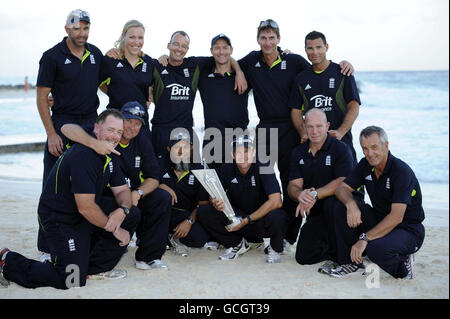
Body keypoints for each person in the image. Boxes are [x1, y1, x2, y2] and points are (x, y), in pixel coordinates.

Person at [238, 19, 354, 251]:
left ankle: (289, 237)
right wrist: (240, 72)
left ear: (279, 39)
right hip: (265, 128)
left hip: (291, 129)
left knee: (290, 182)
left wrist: (345, 64)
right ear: (258, 40)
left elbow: (319, 67)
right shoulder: (251, 61)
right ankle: (259, 233)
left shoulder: (294, 61)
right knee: (261, 180)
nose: (268, 42)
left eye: (272, 38)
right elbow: (226, 62)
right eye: (264, 38)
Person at [0, 110, 138, 289]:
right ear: (96, 129)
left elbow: (123, 191)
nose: (115, 136)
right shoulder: (84, 155)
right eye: (110, 130)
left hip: (82, 214)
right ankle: (8, 261)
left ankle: (92, 268)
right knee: (71, 280)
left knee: (132, 213)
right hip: (60, 218)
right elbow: (86, 208)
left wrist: (123, 211)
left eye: (119, 132)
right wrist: (114, 229)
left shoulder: (110, 155)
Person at [61, 101, 173, 270]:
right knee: (129, 212)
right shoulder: (105, 133)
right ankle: (104, 256)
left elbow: (154, 177)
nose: (131, 127)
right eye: (128, 121)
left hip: (130, 194)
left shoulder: (142, 140)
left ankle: (148, 257)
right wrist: (94, 143)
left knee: (161, 198)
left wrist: (138, 193)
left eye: (137, 124)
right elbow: (66, 128)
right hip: (104, 195)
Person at [35, 9, 103, 259]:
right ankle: (46, 248)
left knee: (88, 186)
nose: (81, 33)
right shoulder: (52, 57)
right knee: (53, 188)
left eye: (85, 28)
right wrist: (51, 133)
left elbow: (106, 82)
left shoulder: (95, 53)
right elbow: (42, 97)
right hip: (62, 125)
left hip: (90, 125)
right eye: (76, 28)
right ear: (67, 29)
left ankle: (86, 239)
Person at [330, 126, 425, 279]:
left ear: (386, 145)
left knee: (375, 250)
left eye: (374, 147)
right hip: (379, 220)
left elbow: (396, 217)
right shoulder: (365, 165)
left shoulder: (401, 172)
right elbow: (342, 189)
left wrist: (364, 238)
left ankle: (403, 262)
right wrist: (351, 204)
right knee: (340, 206)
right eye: (365, 149)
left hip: (407, 229)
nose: (370, 153)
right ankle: (350, 263)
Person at [150, 31, 247, 160]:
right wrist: (149, 90)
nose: (179, 49)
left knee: (190, 176)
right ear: (168, 45)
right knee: (158, 174)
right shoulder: (157, 66)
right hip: (161, 130)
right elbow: (141, 79)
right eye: (176, 44)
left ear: (187, 49)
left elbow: (222, 57)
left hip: (186, 131)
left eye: (184, 46)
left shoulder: (194, 65)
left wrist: (239, 71)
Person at [197, 135, 288, 263]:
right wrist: (215, 201)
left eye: (246, 151)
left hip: (259, 221)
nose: (243, 156)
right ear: (232, 155)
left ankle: (274, 247)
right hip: (238, 220)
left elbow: (276, 201)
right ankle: (237, 244)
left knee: (278, 215)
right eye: (238, 152)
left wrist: (246, 221)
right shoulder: (226, 168)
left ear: (254, 152)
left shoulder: (264, 165)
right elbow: (212, 192)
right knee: (204, 210)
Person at [287, 108, 354, 273]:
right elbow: (293, 186)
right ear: (304, 127)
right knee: (303, 257)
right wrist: (300, 195)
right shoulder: (298, 152)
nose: (314, 131)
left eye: (319, 126)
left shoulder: (341, 149)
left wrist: (314, 194)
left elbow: (343, 181)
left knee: (332, 204)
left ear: (327, 126)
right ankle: (334, 249)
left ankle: (343, 255)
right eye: (310, 126)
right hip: (317, 212)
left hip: (342, 209)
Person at [289, 31, 361, 163]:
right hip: (314, 146)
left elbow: (354, 107)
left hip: (342, 143)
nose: (314, 52)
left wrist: (340, 132)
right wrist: (303, 132)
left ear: (326, 47)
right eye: (310, 48)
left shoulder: (343, 72)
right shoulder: (301, 79)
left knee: (348, 183)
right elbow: (296, 111)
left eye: (318, 47)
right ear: (305, 50)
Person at [198, 34, 250, 169]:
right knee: (214, 188)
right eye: (217, 48)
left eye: (225, 48)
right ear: (211, 51)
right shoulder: (203, 76)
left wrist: (238, 71)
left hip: (239, 139)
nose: (221, 52)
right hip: (212, 140)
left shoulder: (244, 75)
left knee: (239, 186)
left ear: (231, 50)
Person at [99, 20, 155, 139]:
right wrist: (114, 93)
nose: (136, 42)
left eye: (140, 37)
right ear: (123, 36)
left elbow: (151, 87)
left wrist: (149, 97)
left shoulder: (149, 62)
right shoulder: (110, 60)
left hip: (140, 124)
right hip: (116, 123)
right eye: (132, 37)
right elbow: (98, 84)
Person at [158, 130, 210, 256]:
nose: (181, 151)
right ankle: (165, 236)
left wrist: (189, 221)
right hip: (161, 214)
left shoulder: (198, 169)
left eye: (185, 147)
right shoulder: (159, 164)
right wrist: (160, 185)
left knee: (199, 239)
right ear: (169, 148)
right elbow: (144, 186)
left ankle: (172, 237)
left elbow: (202, 204)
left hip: (184, 214)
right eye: (177, 147)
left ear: (191, 148)